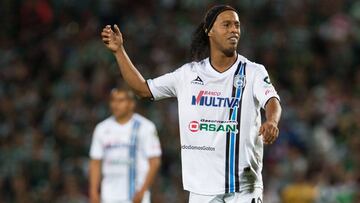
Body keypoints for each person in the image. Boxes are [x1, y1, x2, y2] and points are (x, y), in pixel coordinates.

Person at [101, 4, 282, 203]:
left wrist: (272, 121)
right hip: (201, 190)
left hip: (244, 187)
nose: (234, 30)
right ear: (209, 31)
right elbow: (143, 89)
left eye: (237, 25)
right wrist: (119, 51)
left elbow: (271, 100)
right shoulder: (188, 75)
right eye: (227, 25)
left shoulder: (253, 71)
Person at [89, 88, 161, 203]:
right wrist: (93, 191)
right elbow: (95, 162)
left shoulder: (146, 127)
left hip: (135, 195)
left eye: (121, 100)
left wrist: (143, 191)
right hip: (108, 195)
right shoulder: (101, 128)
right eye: (113, 100)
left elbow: (154, 161)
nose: (115, 105)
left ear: (131, 104)